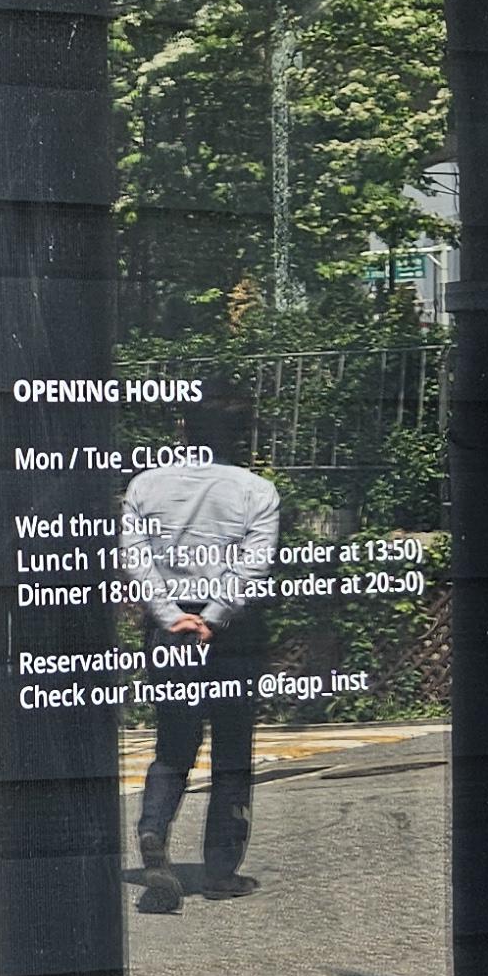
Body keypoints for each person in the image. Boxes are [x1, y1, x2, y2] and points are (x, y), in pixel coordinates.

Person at [123, 388, 281, 908]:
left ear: (184, 431)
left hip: (169, 628)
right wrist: (213, 617)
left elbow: (136, 558)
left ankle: (154, 829)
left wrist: (171, 617)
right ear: (242, 437)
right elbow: (253, 565)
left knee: (174, 741)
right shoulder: (256, 490)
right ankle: (219, 870)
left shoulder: (145, 486)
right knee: (232, 748)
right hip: (231, 631)